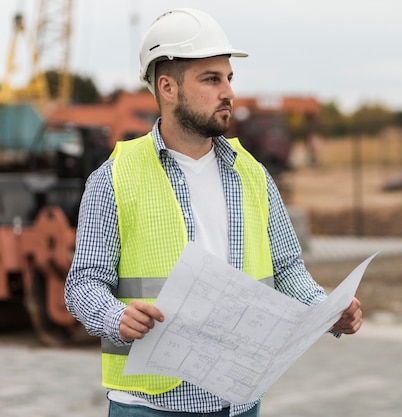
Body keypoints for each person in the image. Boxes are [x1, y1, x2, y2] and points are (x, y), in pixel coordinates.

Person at [64, 8, 362, 417]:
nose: (229, 92)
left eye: (229, 78)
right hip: (150, 406)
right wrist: (115, 316)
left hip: (238, 401)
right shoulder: (113, 178)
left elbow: (288, 268)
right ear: (167, 87)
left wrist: (325, 311)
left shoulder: (253, 174)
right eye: (211, 79)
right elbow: (82, 284)